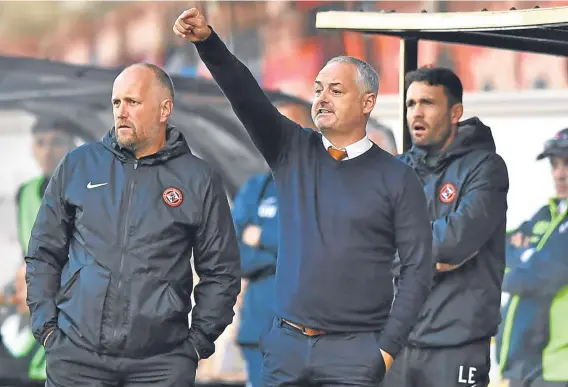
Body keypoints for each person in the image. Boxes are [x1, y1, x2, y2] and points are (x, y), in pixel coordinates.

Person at [174, 8, 433, 387]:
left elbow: (418, 269)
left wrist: (387, 349)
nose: (322, 98)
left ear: (367, 102)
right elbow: (246, 96)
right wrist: (208, 43)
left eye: (336, 90)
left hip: (355, 353)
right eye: (318, 89)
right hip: (286, 349)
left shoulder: (397, 177)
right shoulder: (292, 150)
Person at [25, 63, 241, 387]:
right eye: (116, 103)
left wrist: (196, 344)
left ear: (164, 109)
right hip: (76, 358)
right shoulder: (79, 165)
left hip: (160, 366)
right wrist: (47, 329)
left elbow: (221, 271)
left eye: (133, 102)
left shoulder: (198, 179)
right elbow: (43, 253)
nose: (121, 112)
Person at [383, 66, 509, 387]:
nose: (416, 113)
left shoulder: (485, 167)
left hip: (457, 343)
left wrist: (396, 247)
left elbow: (455, 243)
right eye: (411, 104)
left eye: (427, 103)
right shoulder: (393, 170)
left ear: (455, 112)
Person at [233, 102, 314, 387]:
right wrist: (283, 253)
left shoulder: (323, 186)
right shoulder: (254, 188)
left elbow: (315, 246)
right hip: (260, 333)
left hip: (312, 339)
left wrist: (262, 237)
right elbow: (231, 254)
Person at [497, 128, 568, 387]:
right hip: (523, 368)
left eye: (567, 164)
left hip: (559, 371)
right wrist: (527, 259)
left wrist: (520, 256)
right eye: (555, 164)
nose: (559, 174)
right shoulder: (545, 214)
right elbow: (496, 253)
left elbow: (545, 276)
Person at [17, 117, 76, 256]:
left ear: (72, 147)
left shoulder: (90, 189)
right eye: (40, 143)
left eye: (56, 142)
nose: (47, 152)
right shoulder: (25, 192)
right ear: (32, 149)